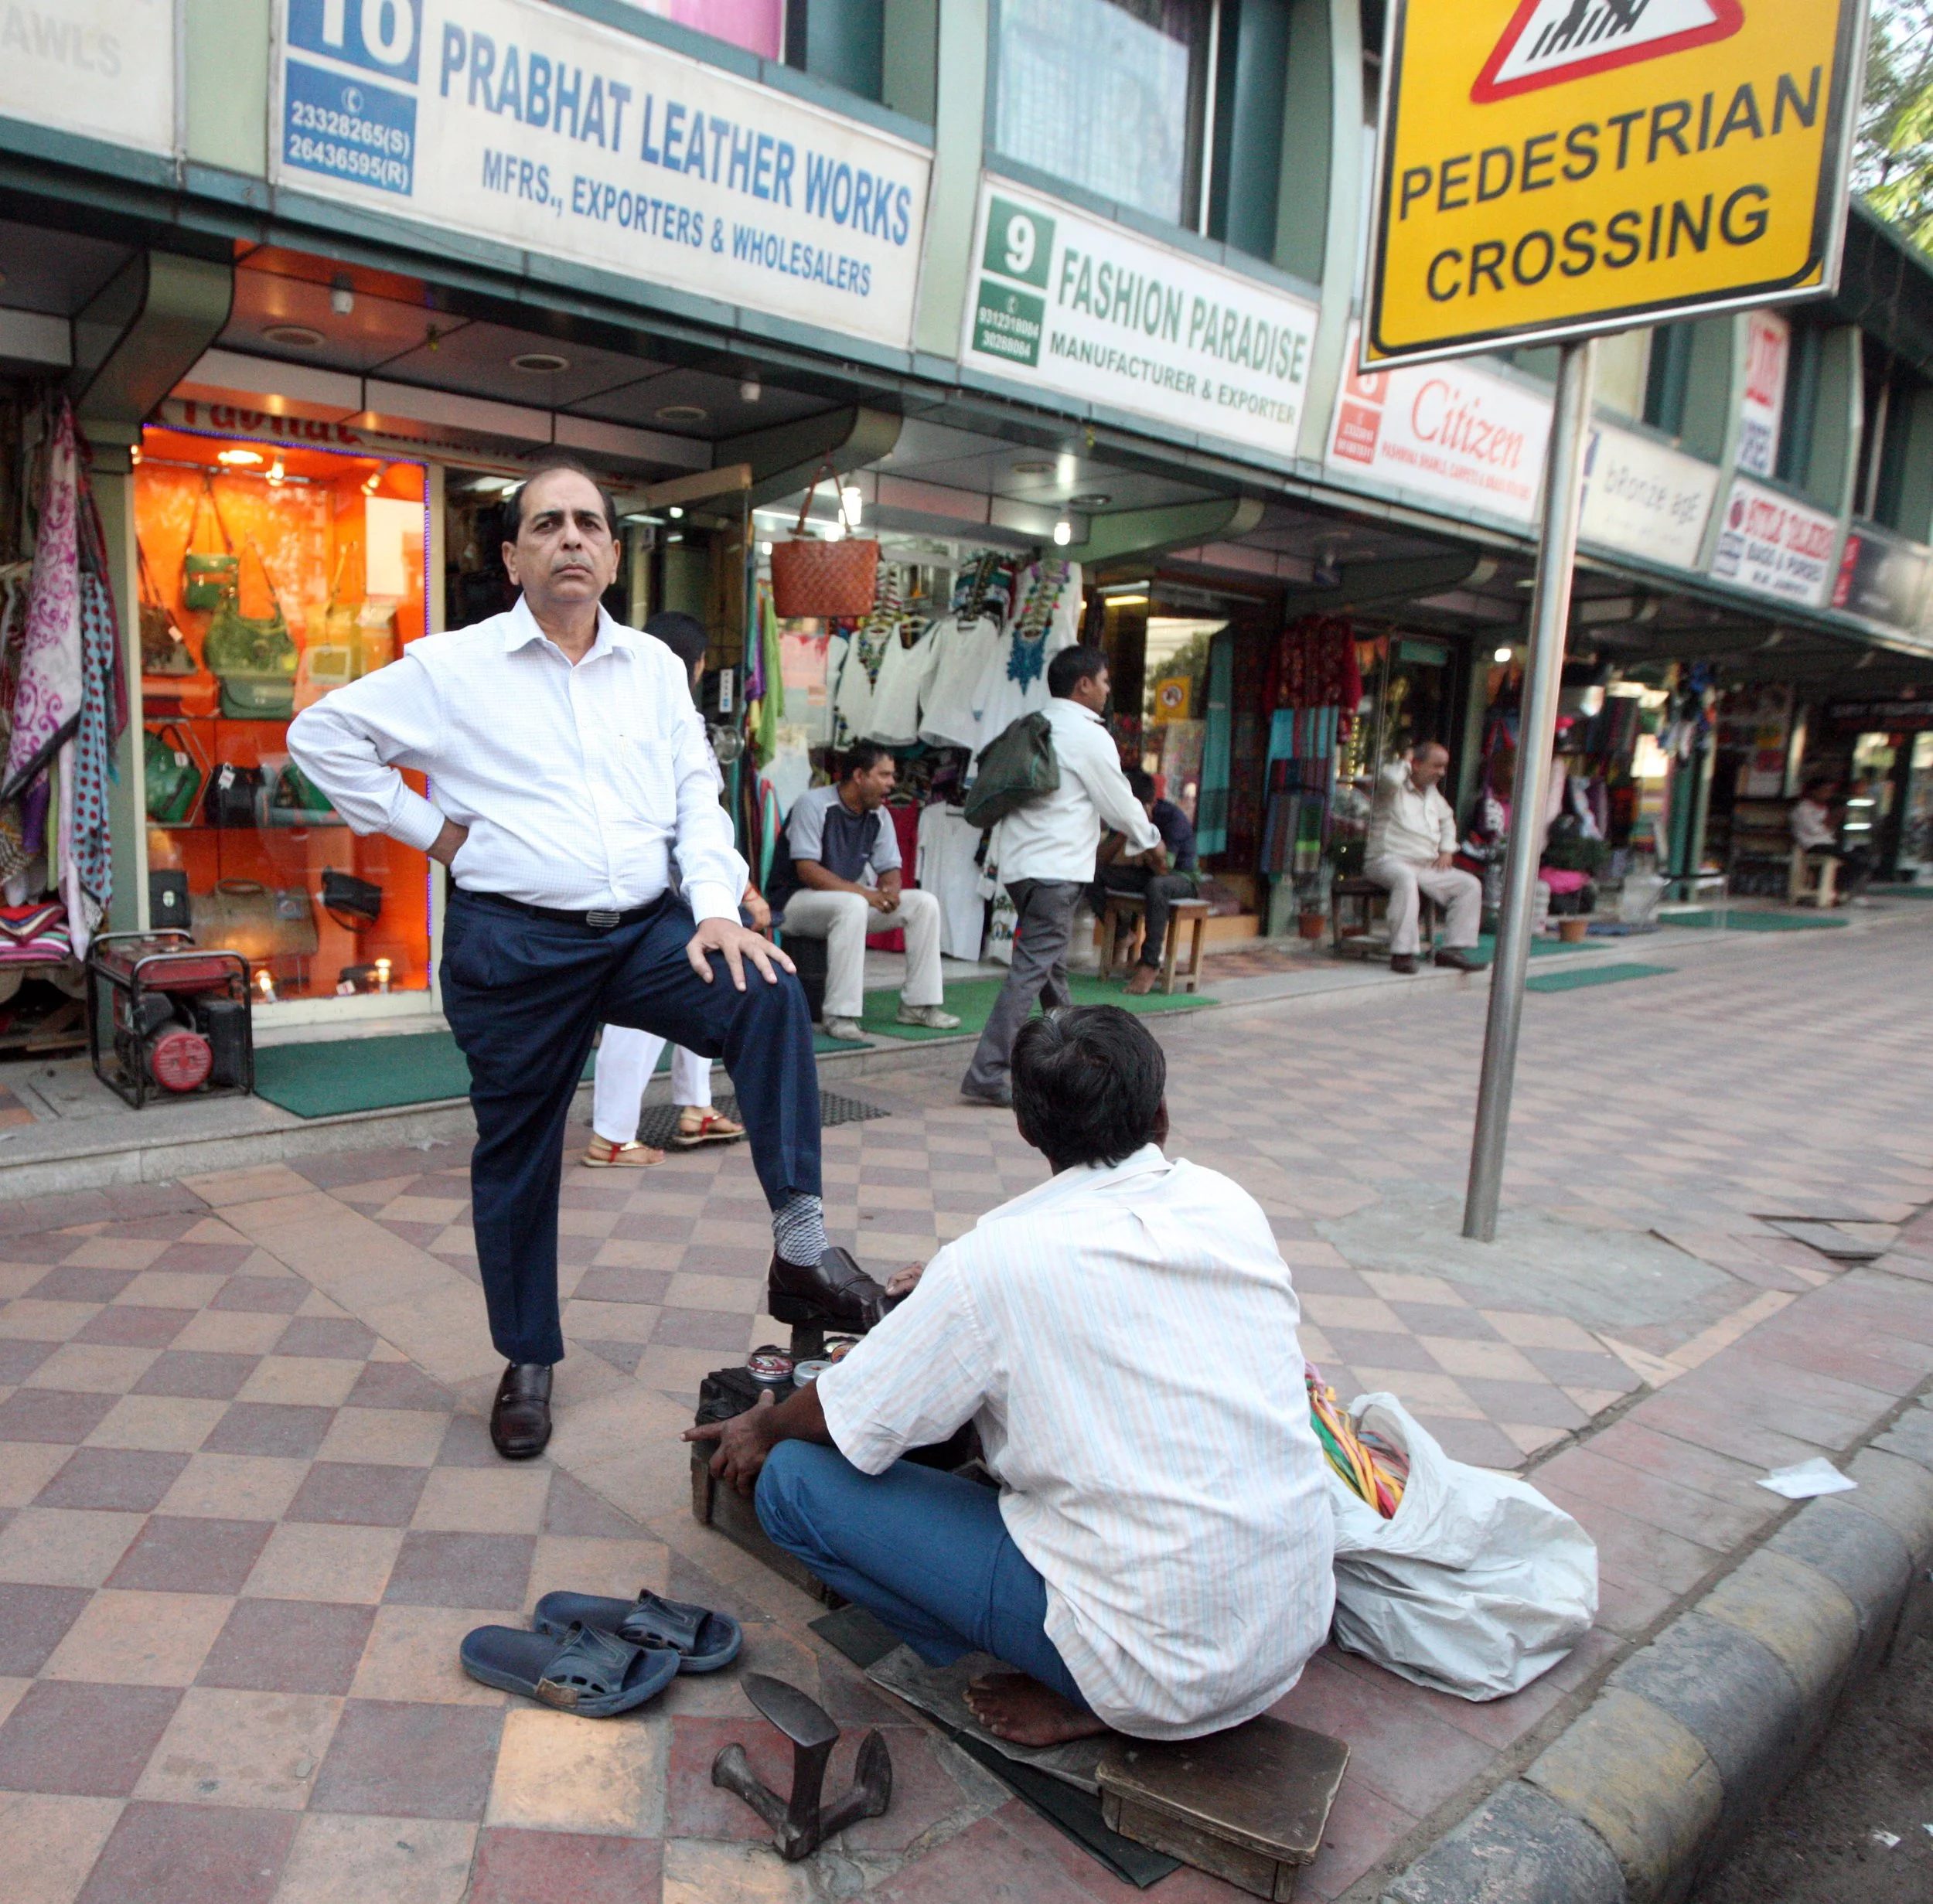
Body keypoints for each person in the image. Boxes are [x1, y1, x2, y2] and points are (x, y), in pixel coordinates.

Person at [289, 456, 894, 1462]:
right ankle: (527, 1360)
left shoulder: (654, 669)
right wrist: (435, 832)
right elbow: (324, 734)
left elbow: (697, 798)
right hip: (512, 940)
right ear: (515, 554)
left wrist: (713, 907)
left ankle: (802, 1243)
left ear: (613, 552)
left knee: (766, 987)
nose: (569, 537)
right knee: (519, 1150)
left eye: (587, 524)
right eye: (546, 524)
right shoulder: (455, 665)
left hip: (643, 928)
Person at [687, 1005, 1335, 1747]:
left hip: (1157, 1669)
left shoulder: (992, 1260)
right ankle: (1071, 1644)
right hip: (1289, 1627)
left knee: (795, 1483)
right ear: (1159, 1113)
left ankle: (1073, 1680)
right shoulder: (1228, 1203)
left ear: (1027, 1128)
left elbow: (847, 1414)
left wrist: (763, 1423)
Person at [585, 610, 755, 1167]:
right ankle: (611, 1135)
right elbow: (691, 816)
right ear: (698, 663)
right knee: (639, 1015)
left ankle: (696, 1106)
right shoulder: (644, 717)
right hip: (651, 888)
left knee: (703, 979)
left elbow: (702, 817)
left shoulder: (655, 715)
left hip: (686, 884)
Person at [960, 645, 1159, 1107]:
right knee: (1031, 969)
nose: (1109, 691)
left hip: (1020, 868)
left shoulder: (1033, 725)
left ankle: (1075, 1059)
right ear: (1084, 684)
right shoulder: (1087, 735)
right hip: (1057, 868)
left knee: (1050, 969)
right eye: (1105, 681)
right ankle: (988, 1070)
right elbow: (1118, 802)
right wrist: (1150, 837)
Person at [767, 743, 960, 1042]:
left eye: (892, 776)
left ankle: (918, 1006)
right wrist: (866, 895)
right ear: (859, 775)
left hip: (845, 901)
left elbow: (890, 868)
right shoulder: (814, 804)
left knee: (924, 903)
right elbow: (807, 871)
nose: (892, 784)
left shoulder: (879, 815)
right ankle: (839, 1014)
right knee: (852, 905)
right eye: (884, 775)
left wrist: (891, 891)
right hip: (792, 903)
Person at [1365, 741, 1482, 974]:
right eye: (1436, 766)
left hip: (1425, 865)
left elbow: (1448, 820)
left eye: (1444, 767)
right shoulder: (1393, 788)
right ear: (1416, 765)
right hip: (1387, 860)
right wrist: (1405, 760)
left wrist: (1447, 850)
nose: (1442, 772)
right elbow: (1389, 778)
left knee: (1469, 885)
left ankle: (1451, 950)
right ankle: (1402, 953)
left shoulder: (1433, 795)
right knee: (1406, 879)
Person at [1095, 766, 1199, 996]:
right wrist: (1123, 831)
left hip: (1181, 879)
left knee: (1157, 886)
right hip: (1150, 877)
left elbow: (1164, 869)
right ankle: (1123, 935)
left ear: (1148, 803)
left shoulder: (1172, 818)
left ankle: (1150, 964)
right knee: (1091, 875)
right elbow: (1100, 860)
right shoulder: (1125, 816)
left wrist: (1144, 829)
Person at [1790, 776, 1872, 900]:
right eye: (1825, 791)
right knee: (1855, 860)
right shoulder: (1803, 809)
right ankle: (1837, 890)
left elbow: (1828, 832)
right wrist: (1833, 818)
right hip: (1812, 845)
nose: (1827, 794)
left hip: (1827, 843)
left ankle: (1838, 888)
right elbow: (1815, 830)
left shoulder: (1823, 808)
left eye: (1829, 791)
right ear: (1814, 792)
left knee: (1863, 858)